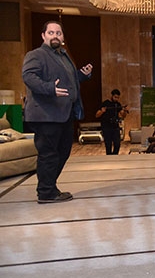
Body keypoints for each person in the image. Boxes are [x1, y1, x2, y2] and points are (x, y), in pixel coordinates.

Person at [22, 20, 93, 203]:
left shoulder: (63, 55)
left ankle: (49, 187)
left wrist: (82, 75)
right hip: (46, 114)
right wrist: (49, 88)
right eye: (51, 33)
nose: (55, 36)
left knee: (63, 152)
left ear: (62, 37)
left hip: (63, 114)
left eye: (58, 33)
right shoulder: (36, 55)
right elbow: (28, 76)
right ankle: (46, 192)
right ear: (43, 36)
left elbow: (68, 81)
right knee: (49, 153)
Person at [95, 89, 128, 155]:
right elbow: (97, 115)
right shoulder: (105, 103)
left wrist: (124, 111)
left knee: (117, 144)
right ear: (112, 96)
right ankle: (109, 158)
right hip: (106, 127)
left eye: (118, 97)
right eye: (115, 97)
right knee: (108, 145)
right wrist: (102, 111)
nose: (116, 99)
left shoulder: (118, 104)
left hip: (115, 126)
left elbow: (123, 116)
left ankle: (114, 156)